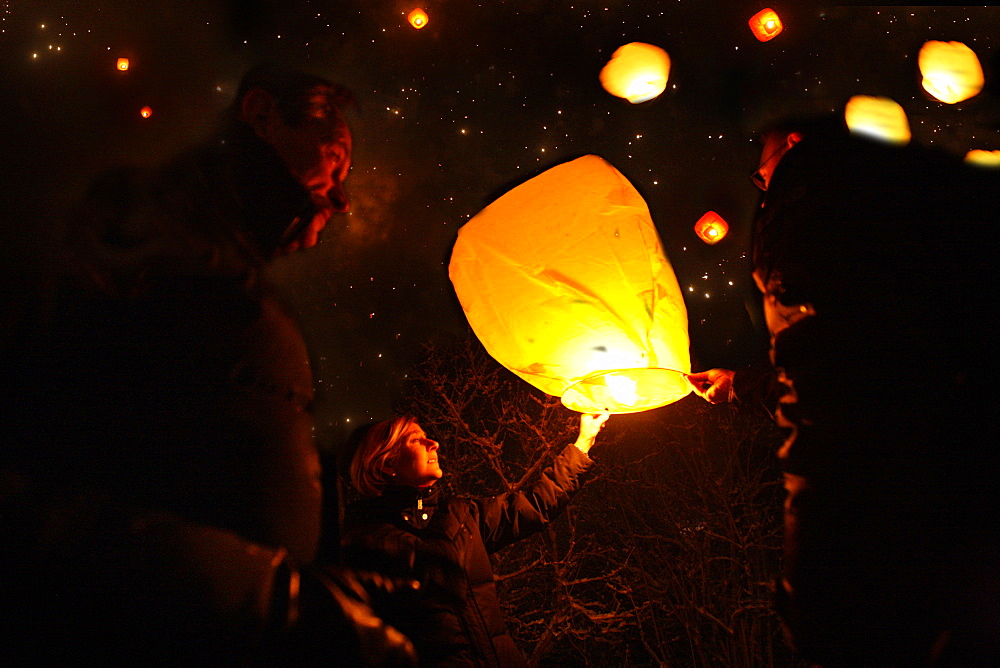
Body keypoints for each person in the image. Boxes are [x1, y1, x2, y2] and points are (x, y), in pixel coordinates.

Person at [2, 64, 413, 664]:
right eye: (331, 158)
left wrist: (310, 591)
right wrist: (274, 599)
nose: (342, 197)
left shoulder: (204, 277)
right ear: (261, 115)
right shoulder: (120, 263)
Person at [751, 131, 1000, 664]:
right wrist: (743, 384)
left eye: (762, 169)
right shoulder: (897, 227)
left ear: (794, 143)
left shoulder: (812, 221)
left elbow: (831, 385)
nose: (761, 184)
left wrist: (814, 594)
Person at [341, 413, 609, 667]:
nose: (433, 443)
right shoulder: (362, 543)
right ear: (387, 464)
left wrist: (583, 442)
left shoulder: (460, 516)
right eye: (415, 439)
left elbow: (534, 505)